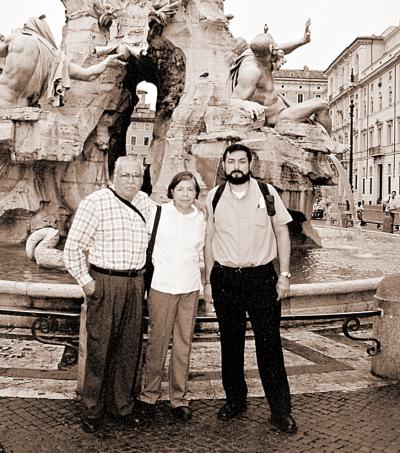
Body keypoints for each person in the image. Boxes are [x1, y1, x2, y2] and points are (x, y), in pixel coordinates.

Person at [204, 143, 297, 434]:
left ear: (250, 163)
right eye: (231, 161)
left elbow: (282, 232)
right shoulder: (214, 196)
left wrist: (284, 274)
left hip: (261, 279)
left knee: (269, 345)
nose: (236, 167)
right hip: (225, 278)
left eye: (241, 161)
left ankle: (280, 411)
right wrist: (208, 280)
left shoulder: (267, 193)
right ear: (224, 164)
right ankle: (235, 401)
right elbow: (208, 240)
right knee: (230, 344)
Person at [64, 156, 154, 433]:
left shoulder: (146, 205)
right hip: (105, 280)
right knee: (99, 348)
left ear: (142, 178)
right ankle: (92, 409)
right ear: (114, 176)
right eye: (125, 175)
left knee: (129, 348)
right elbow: (73, 248)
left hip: (135, 283)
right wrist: (87, 282)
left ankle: (122, 407)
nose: (131, 181)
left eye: (136, 176)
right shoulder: (95, 202)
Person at [137, 171, 206, 422]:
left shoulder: (201, 219)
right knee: (157, 342)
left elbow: (204, 253)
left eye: (190, 189)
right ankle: (149, 395)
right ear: (172, 192)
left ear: (196, 193)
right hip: (162, 286)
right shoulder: (158, 213)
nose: (185, 194)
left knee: (183, 344)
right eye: (180, 189)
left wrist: (206, 284)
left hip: (189, 287)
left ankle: (179, 398)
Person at [229, 19, 332, 134]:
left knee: (318, 107)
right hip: (277, 117)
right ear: (271, 50)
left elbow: (282, 49)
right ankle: (329, 146)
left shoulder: (256, 53)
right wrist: (246, 104)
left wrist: (302, 41)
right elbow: (233, 101)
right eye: (275, 50)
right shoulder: (252, 71)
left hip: (283, 107)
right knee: (322, 105)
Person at [0, 15, 124, 108]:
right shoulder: (56, 60)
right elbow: (88, 74)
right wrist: (108, 60)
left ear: (28, 27)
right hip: (20, 106)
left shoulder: (17, 38)